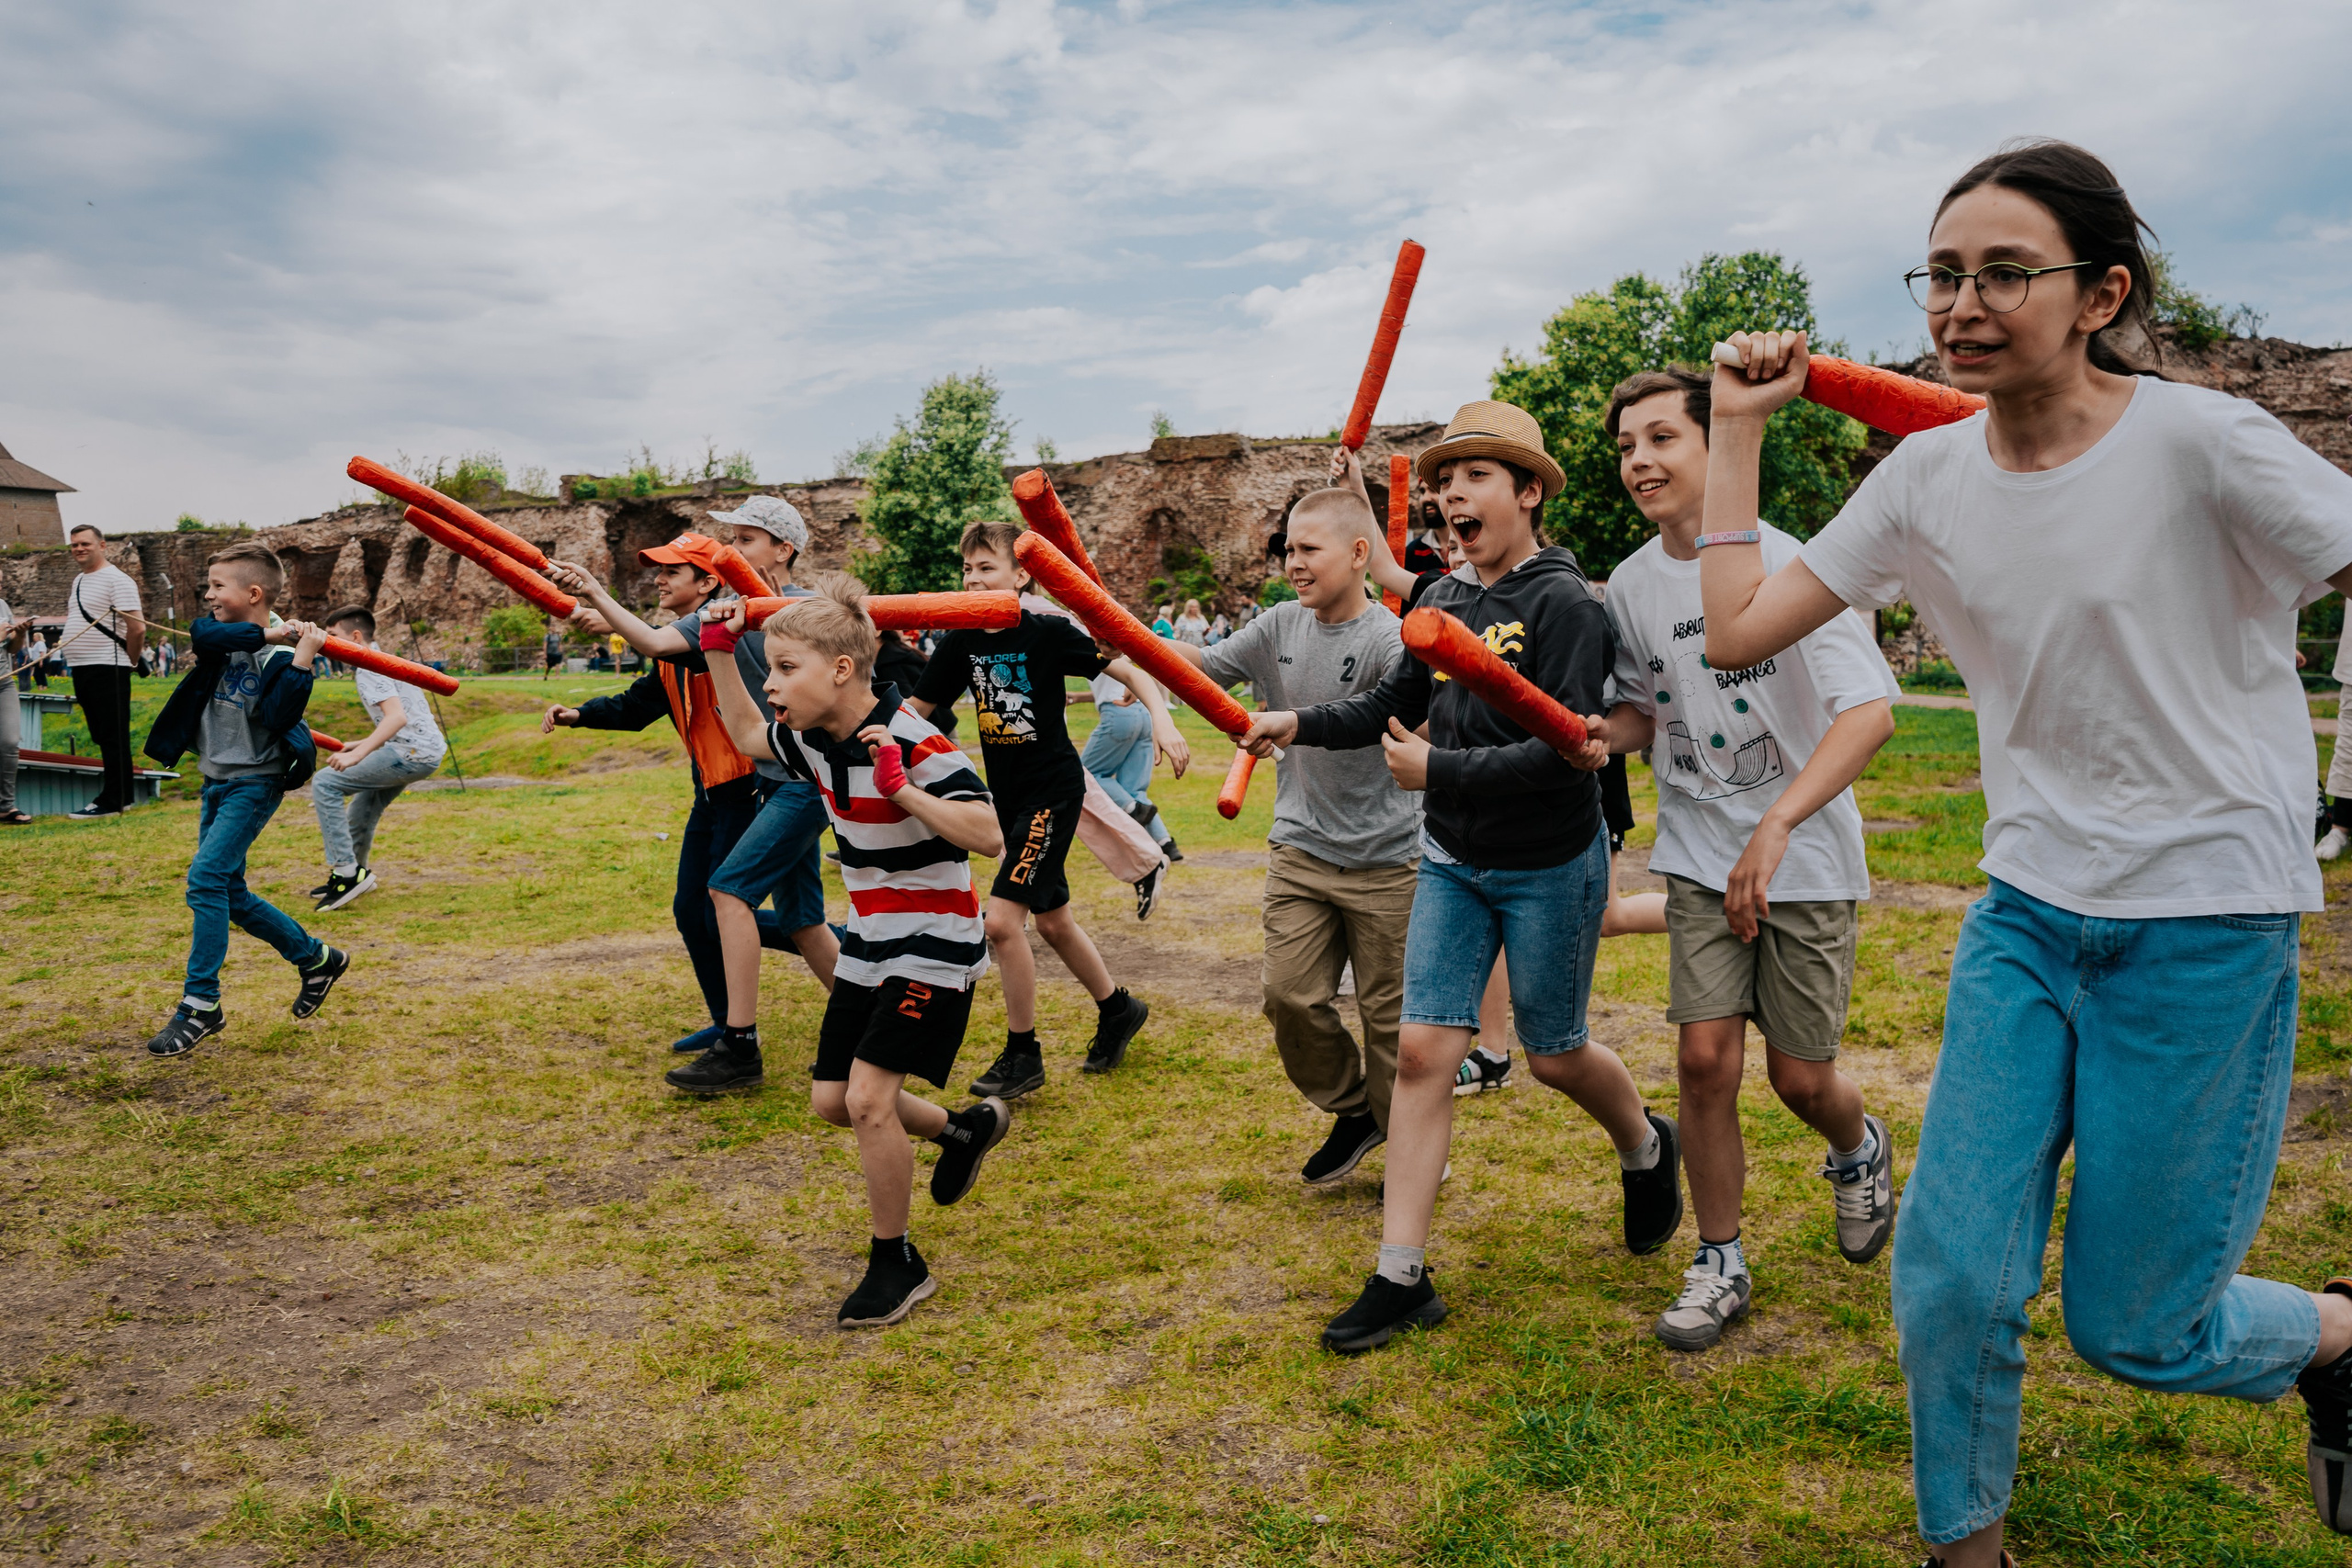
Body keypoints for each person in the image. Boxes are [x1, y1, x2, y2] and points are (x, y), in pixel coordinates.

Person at [1696, 140, 2352, 1565]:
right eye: (1941, 275)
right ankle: (1965, 1547)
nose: (1962, 304)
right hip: (2029, 915)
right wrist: (1735, 426)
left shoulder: (2201, 440)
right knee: (1943, 1278)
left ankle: (2339, 1340)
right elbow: (1739, 629)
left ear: (2099, 290)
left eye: (2004, 273)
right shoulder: (1925, 476)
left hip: (2205, 923)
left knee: (2142, 1327)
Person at [1247, 400, 1683, 1355]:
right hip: (1449, 859)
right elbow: (1387, 703)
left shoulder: (1566, 605)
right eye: (1444, 481)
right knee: (1419, 1055)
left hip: (1548, 864)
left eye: (1473, 477)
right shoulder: (1440, 602)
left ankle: (1648, 1145)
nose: (1450, 494)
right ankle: (1400, 1275)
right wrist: (1298, 723)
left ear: (1527, 492)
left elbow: (1575, 752)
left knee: (1555, 1053)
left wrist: (1437, 770)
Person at [1597, 366, 1899, 1354]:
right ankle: (1719, 1258)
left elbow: (1869, 714)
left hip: (1803, 859)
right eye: (1626, 447)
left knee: (1800, 1080)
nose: (1639, 461)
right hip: (1693, 850)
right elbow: (1644, 708)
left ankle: (1856, 1148)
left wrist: (1777, 826)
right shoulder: (1633, 587)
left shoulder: (1789, 563)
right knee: (1701, 1059)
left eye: (1660, 438)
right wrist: (1589, 735)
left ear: (1712, 444)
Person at [698, 577, 1011, 1328]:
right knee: (833, 1102)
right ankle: (962, 1128)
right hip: (870, 940)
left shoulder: (915, 740)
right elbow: (745, 734)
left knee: (870, 1100)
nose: (770, 685)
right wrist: (715, 649)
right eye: (767, 669)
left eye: (784, 668)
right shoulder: (814, 739)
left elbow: (989, 832)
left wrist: (906, 791)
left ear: (841, 669)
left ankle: (896, 1261)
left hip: (934, 944)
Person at [1164, 488, 1420, 1186]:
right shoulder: (1278, 625)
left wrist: (1300, 718)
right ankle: (1355, 1109)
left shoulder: (1389, 641)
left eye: (1309, 550)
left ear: (1359, 554)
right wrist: (1131, 638)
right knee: (1289, 995)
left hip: (1389, 859)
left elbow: (1386, 721)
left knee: (1390, 1021)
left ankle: (1408, 1151)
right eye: (1288, 550)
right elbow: (1206, 665)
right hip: (1302, 846)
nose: (1293, 564)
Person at [908, 521, 1184, 1100]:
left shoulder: (1044, 631)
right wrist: (863, 734)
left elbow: (1129, 667)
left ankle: (1022, 1053)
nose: (973, 578)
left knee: (1003, 925)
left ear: (1020, 574)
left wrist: (1161, 716)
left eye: (987, 568)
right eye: (967, 569)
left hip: (1052, 795)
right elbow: (916, 711)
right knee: (1053, 921)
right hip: (1007, 799)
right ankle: (1118, 1010)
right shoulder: (960, 640)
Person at [543, 536, 785, 1082]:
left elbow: (653, 643)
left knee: (721, 908)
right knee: (690, 910)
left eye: (673, 571)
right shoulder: (676, 649)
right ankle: (728, 1023)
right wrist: (578, 714)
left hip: (748, 786)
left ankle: (824, 959)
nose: (659, 579)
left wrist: (597, 596)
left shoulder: (713, 629)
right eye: (658, 570)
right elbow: (640, 704)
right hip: (711, 790)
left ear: (707, 584)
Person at [140, 542, 348, 1057]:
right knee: (228, 892)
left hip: (254, 782)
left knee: (206, 879)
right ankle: (316, 958)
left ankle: (201, 1004)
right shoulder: (224, 635)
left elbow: (280, 718)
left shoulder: (282, 655)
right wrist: (271, 631)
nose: (207, 595)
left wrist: (301, 659)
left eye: (216, 587)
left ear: (252, 593)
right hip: (216, 779)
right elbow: (202, 633)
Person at [308, 606, 447, 910]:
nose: (327, 644)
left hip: (411, 753)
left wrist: (358, 754)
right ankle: (358, 875)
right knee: (363, 808)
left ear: (355, 636)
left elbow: (395, 718)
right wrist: (354, 744)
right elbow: (406, 718)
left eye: (333, 637)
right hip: (422, 749)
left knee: (324, 783)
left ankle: (346, 872)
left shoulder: (369, 668)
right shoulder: (384, 659)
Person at [61, 525, 144, 820]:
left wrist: (130, 662)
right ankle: (121, 794)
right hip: (83, 668)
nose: (79, 549)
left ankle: (114, 799)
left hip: (108, 666)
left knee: (112, 735)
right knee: (101, 734)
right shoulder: (80, 581)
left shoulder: (117, 580)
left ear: (102, 545)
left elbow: (137, 627)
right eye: (74, 545)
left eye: (85, 543)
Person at [1082, 671, 1182, 864]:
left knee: (1086, 774)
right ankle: (1166, 844)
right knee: (1134, 789)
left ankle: (1133, 809)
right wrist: (1079, 698)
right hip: (1143, 713)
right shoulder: (1112, 648)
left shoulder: (1095, 641)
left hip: (1118, 713)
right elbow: (1113, 687)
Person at [0, 598, 23, 824]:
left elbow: (13, 649)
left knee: (9, 742)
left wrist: (19, 635)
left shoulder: (2, 605)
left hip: (4, 684)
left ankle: (6, 807)